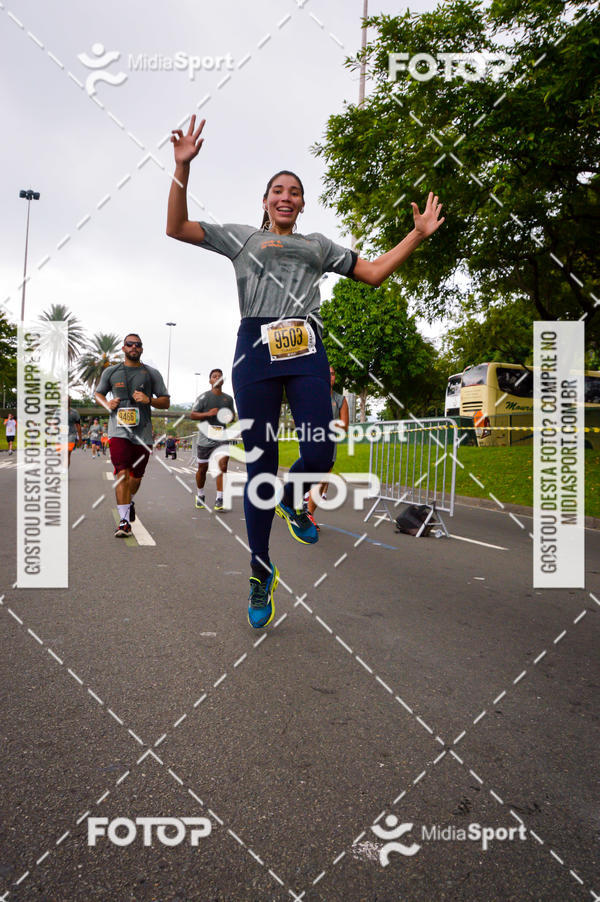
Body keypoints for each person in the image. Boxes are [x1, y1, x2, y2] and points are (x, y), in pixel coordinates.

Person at [166, 115, 444, 627]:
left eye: (294, 191)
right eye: (278, 190)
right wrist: (182, 168)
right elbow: (177, 228)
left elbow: (376, 273)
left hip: (305, 342)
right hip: (256, 347)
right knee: (260, 464)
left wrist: (417, 234)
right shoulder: (241, 237)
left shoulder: (317, 245)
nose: (286, 197)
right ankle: (259, 568)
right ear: (266, 200)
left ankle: (294, 500)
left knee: (320, 448)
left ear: (302, 202)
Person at [95, 333, 170, 537]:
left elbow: (166, 401)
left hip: (142, 432)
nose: (133, 347)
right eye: (130, 344)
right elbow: (98, 393)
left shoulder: (151, 373)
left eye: (137, 345)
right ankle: (124, 521)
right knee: (121, 473)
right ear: (123, 348)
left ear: (142, 349)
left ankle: (129, 501)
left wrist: (149, 400)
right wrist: (106, 403)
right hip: (118, 430)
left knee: (135, 478)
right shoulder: (111, 372)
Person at [306, 365, 349, 528]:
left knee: (323, 481)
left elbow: (344, 425)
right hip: (312, 441)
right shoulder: (313, 396)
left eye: (333, 374)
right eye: (327, 374)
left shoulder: (340, 399)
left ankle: (309, 512)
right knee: (317, 478)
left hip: (330, 444)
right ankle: (307, 513)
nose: (330, 377)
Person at [190, 368, 236, 512]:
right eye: (214, 376)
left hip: (221, 436)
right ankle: (200, 494)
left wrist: (229, 417)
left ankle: (219, 498)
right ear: (210, 380)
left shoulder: (228, 399)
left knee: (223, 466)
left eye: (219, 376)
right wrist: (208, 413)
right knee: (202, 469)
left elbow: (233, 417)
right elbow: (192, 415)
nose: (217, 378)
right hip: (205, 438)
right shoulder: (203, 397)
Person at [67, 402, 82, 468]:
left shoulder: (75, 412)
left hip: (71, 435)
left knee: (67, 453)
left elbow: (78, 425)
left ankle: (65, 471)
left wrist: (80, 438)